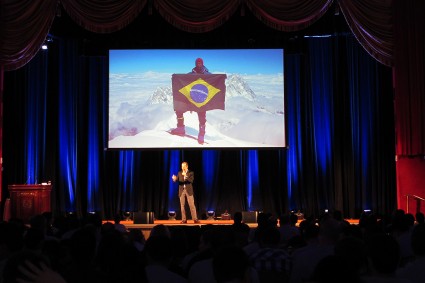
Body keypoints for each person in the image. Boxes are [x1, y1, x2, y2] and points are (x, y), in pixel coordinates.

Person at [170, 57, 210, 144]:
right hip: (191, 98)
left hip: (201, 99)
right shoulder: (191, 73)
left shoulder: (208, 74)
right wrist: (175, 78)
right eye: (197, 62)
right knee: (179, 108)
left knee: (202, 115)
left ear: (202, 63)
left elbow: (213, 82)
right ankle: (180, 128)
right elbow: (183, 80)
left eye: (200, 62)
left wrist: (221, 79)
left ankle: (201, 134)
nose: (199, 64)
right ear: (196, 63)